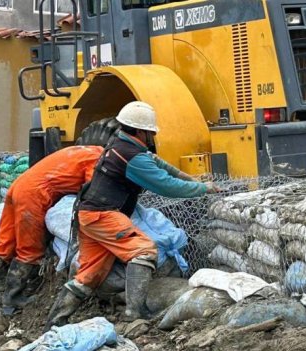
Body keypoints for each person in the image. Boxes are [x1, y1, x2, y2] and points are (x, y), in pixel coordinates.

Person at [45, 101, 219, 330]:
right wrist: (203, 189)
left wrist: (192, 179)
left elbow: (160, 164)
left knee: (89, 274)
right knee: (144, 252)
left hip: (88, 215)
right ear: (141, 131)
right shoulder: (132, 157)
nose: (152, 137)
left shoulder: (119, 144)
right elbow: (166, 185)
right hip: (103, 214)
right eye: (150, 133)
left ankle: (54, 321)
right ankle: (135, 313)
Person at [0, 145, 104, 316]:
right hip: (34, 195)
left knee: (6, 242)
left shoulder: (86, 150)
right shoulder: (98, 160)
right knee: (30, 249)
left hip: (19, 186)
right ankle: (13, 296)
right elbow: (92, 191)